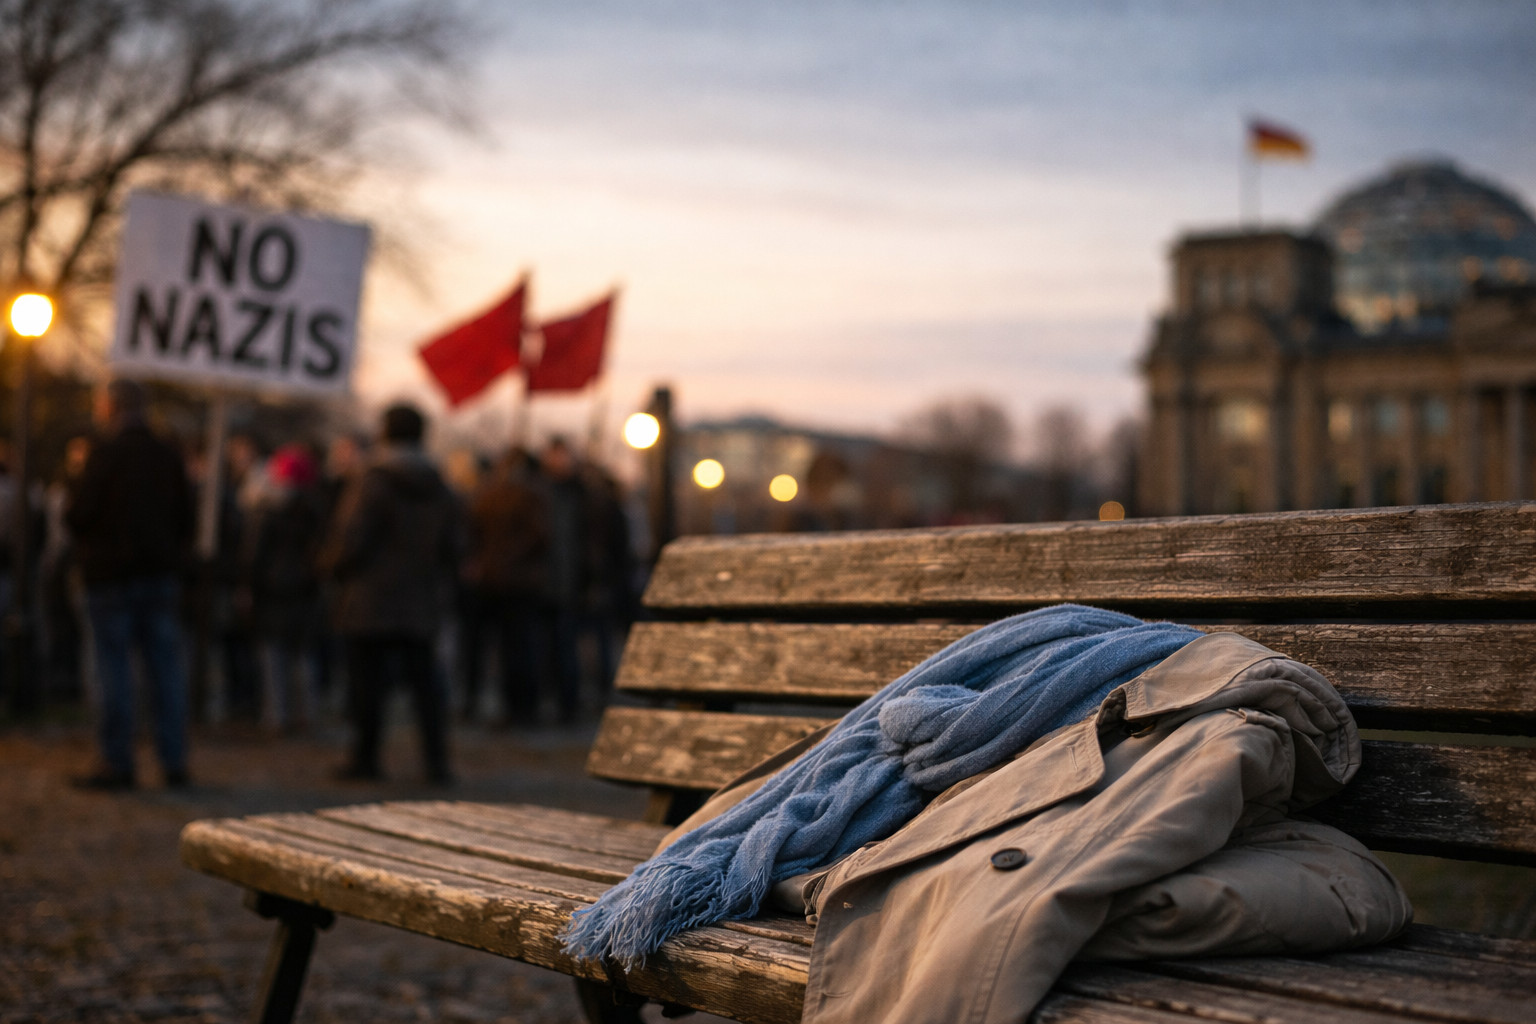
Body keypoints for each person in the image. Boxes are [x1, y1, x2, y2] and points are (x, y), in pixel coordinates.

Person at [320, 403, 465, 784]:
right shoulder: (440, 486)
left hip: (371, 600)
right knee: (426, 686)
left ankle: (366, 758)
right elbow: (455, 546)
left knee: (367, 686)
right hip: (420, 600)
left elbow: (352, 538)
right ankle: (436, 762)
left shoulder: (372, 481)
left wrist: (332, 568)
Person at [67, 379, 195, 790]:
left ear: (112, 406)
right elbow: (186, 518)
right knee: (165, 671)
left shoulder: (104, 454)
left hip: (110, 579)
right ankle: (173, 761)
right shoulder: (168, 455)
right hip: (159, 578)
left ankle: (117, 762)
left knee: (112, 670)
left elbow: (78, 515)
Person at [461, 447, 548, 725]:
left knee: (494, 647)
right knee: (519, 649)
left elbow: (470, 534)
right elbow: (541, 537)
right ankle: (522, 708)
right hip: (518, 583)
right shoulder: (531, 497)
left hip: (492, 580)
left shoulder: (485, 495)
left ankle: (480, 702)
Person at [242, 443, 325, 732]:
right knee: (303, 655)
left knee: (273, 654)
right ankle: (307, 713)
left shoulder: (268, 510)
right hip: (306, 588)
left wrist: (248, 586)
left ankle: (275, 715)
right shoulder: (318, 511)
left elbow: (254, 553)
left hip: (273, 588)